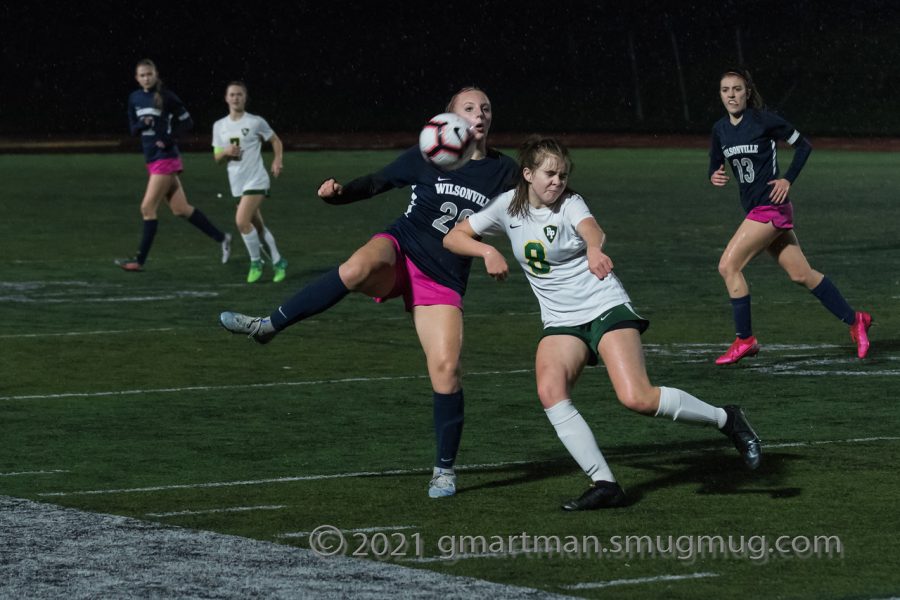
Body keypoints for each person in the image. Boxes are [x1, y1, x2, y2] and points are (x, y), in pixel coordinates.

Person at [219, 87, 518, 498]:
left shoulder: (504, 172)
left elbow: (534, 211)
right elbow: (379, 182)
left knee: (447, 370)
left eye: (486, 107)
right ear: (446, 119)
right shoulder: (426, 156)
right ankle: (268, 325)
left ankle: (444, 471)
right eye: (469, 108)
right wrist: (338, 195)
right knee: (356, 267)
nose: (479, 114)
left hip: (442, 278)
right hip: (400, 248)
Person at [443, 136, 762, 511]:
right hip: (560, 320)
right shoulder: (505, 208)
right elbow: (454, 236)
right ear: (527, 174)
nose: (557, 182)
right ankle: (605, 483)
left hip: (604, 305)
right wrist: (485, 250)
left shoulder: (570, 203)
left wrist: (594, 248)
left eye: (562, 175)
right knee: (550, 391)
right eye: (549, 174)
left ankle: (728, 419)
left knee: (636, 397)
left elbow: (591, 229)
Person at [709, 67, 872, 364]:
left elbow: (803, 146)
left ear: (747, 92)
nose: (731, 95)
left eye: (737, 89)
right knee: (801, 274)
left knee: (728, 266)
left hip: (770, 207)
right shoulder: (720, 129)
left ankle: (745, 339)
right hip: (759, 210)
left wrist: (787, 179)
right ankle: (855, 320)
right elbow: (716, 161)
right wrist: (715, 174)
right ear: (720, 94)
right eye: (725, 90)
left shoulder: (763, 120)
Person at [116, 59, 231, 271]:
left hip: (166, 158)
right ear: (137, 78)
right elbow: (133, 129)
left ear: (156, 74)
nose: (146, 78)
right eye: (142, 75)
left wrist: (169, 138)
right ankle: (223, 238)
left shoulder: (166, 97)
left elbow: (187, 122)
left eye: (149, 74)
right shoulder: (135, 98)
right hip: (151, 158)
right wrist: (143, 124)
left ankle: (138, 261)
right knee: (180, 209)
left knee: (147, 208)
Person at [212, 81, 287, 283]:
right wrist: (225, 152)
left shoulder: (255, 122)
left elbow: (275, 140)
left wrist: (277, 159)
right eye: (232, 94)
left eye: (240, 94)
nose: (236, 98)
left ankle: (256, 262)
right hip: (237, 182)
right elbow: (217, 158)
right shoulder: (219, 126)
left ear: (245, 98)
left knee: (241, 221)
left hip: (257, 179)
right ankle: (279, 261)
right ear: (226, 98)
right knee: (258, 227)